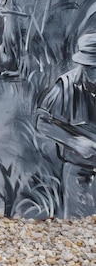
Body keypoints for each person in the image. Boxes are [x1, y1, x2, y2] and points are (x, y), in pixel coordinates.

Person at [37, 33, 96, 218]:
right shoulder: (65, 86)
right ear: (84, 65)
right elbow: (42, 123)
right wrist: (75, 142)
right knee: (79, 224)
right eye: (93, 68)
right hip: (80, 171)